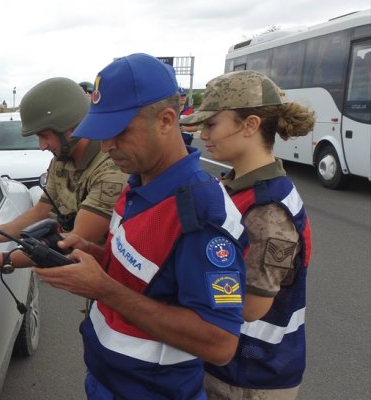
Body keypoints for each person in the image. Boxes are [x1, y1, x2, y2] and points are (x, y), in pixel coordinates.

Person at [34, 53, 247, 399]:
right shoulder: (137, 184)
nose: (107, 147)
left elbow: (220, 341)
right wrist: (98, 256)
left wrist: (103, 288)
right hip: (108, 382)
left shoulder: (202, 213)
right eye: (101, 134)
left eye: (118, 133)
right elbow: (150, 277)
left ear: (165, 120)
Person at [180, 71, 314, 400]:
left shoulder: (269, 212)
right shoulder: (239, 185)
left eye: (212, 124)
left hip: (249, 377)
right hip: (234, 366)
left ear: (250, 125)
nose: (202, 133)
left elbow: (251, 307)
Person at [0, 77, 127, 274]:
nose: (41, 147)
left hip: (114, 278)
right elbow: (41, 211)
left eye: (44, 136)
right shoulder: (62, 159)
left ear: (71, 128)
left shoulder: (111, 171)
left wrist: (4, 260)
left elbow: (74, 241)